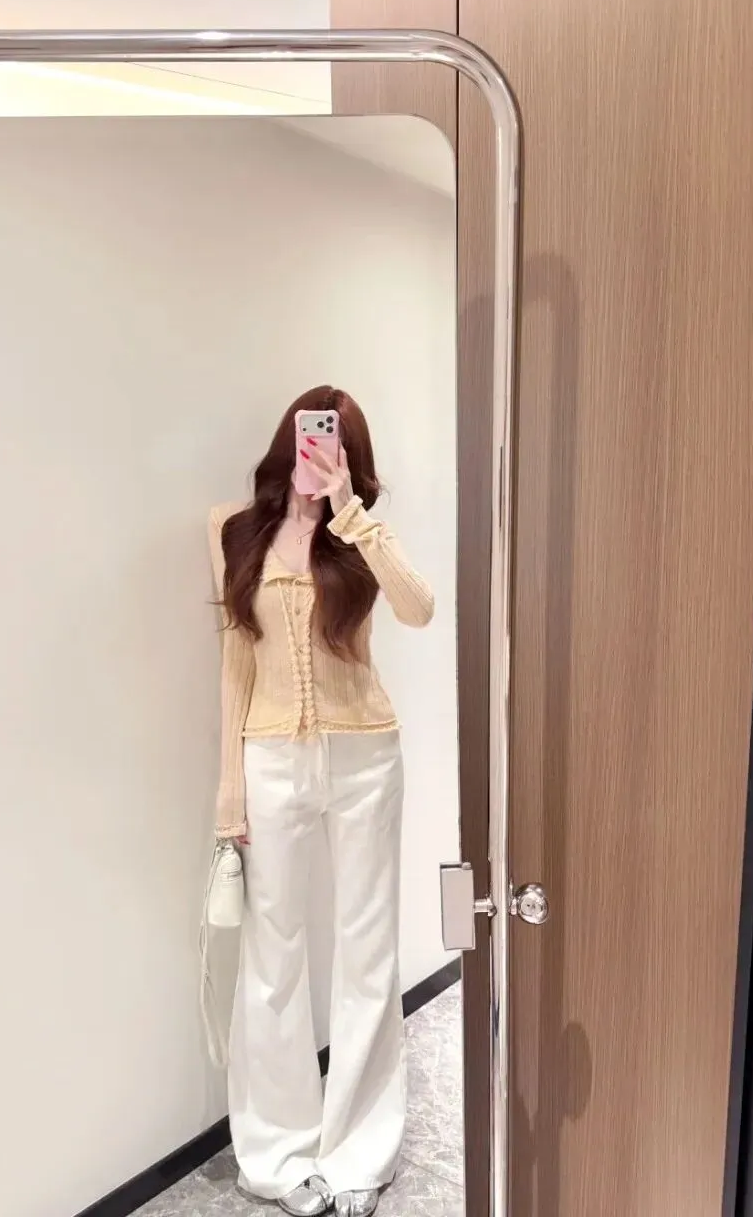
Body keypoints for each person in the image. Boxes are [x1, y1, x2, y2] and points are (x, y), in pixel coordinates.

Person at [207, 385, 434, 1217]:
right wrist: (229, 791)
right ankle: (276, 1157)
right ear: (290, 440)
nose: (318, 449)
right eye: (310, 437)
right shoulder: (234, 530)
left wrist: (350, 512)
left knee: (367, 949)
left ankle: (360, 1155)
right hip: (271, 760)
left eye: (334, 441)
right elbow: (235, 663)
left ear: (348, 453)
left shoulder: (358, 534)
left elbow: (420, 609)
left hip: (365, 755)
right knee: (273, 956)